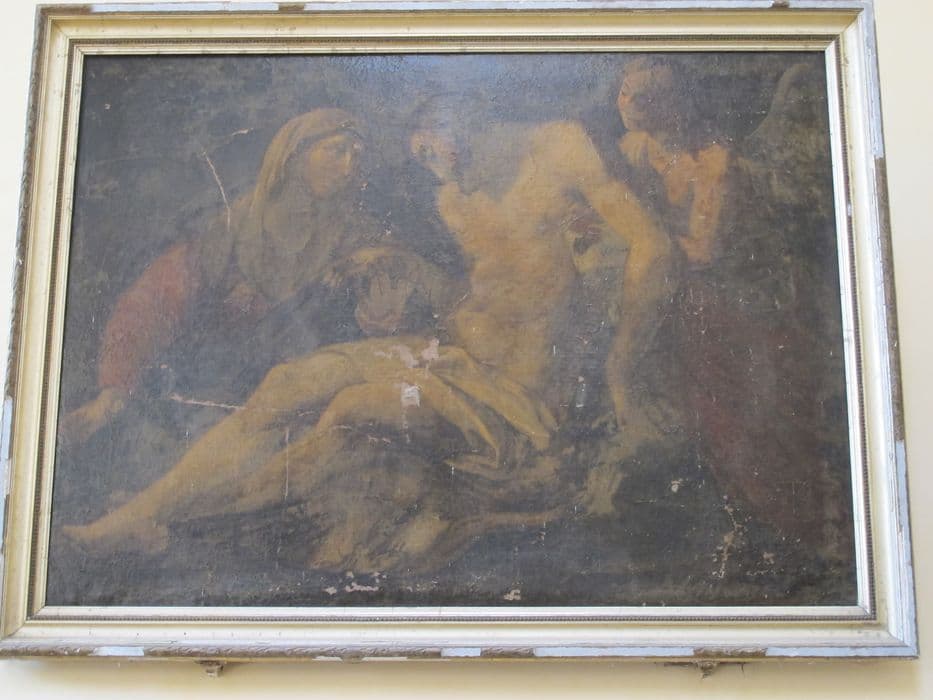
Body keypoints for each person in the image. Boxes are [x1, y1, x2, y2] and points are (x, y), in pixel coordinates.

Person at [64, 101, 675, 571]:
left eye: (434, 144)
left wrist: (620, 374)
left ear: (461, 115)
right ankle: (141, 511)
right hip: (456, 360)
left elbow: (651, 246)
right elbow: (477, 301)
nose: (434, 163)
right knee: (288, 382)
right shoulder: (451, 199)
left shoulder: (556, 146)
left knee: (352, 409)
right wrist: (407, 274)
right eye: (421, 153)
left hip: (518, 397)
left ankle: (181, 517)